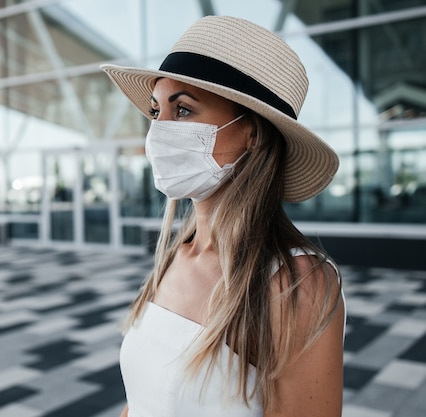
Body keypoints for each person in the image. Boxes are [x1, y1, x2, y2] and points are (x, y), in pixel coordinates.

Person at [101, 16, 345, 417]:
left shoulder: (295, 284)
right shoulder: (178, 254)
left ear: (252, 132)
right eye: (155, 110)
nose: (158, 132)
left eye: (182, 110)